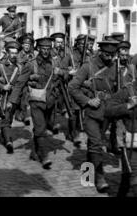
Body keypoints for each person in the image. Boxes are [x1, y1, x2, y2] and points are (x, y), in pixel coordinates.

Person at [69, 40, 119, 193]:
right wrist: (87, 101)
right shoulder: (88, 66)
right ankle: (100, 177)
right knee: (97, 143)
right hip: (91, 113)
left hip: (107, 113)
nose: (110, 58)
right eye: (107, 54)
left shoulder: (116, 68)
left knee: (93, 145)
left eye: (112, 55)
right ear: (100, 52)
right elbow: (72, 87)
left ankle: (87, 175)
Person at [13, 37, 60, 169]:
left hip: (50, 101)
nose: (46, 51)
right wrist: (13, 102)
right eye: (43, 49)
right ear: (38, 49)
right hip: (36, 101)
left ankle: (34, 151)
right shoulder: (31, 64)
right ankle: (44, 156)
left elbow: (65, 76)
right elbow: (20, 83)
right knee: (41, 129)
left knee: (44, 127)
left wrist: (61, 72)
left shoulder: (55, 62)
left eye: (48, 48)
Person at [104, 73, 137, 197]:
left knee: (127, 177)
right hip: (130, 143)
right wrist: (128, 106)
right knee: (134, 177)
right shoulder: (128, 90)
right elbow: (108, 110)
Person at [0, 40, 23, 153]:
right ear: (7, 53)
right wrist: (2, 87)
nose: (14, 55)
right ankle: (9, 142)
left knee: (9, 119)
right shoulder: (0, 67)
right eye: (12, 53)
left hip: (15, 98)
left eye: (16, 53)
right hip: (3, 98)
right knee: (6, 119)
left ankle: (4, 137)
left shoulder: (20, 68)